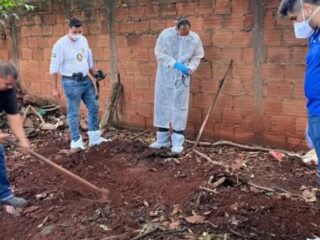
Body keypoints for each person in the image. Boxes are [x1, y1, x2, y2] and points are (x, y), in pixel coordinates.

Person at [50, 18, 109, 150]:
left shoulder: (83, 40)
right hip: (70, 82)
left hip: (85, 80)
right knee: (73, 112)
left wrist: (95, 74)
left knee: (93, 107)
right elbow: (54, 68)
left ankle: (94, 138)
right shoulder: (60, 44)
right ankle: (76, 141)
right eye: (75, 31)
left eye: (80, 31)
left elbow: (88, 60)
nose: (77, 34)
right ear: (69, 29)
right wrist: (54, 88)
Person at [279, 0, 320, 185]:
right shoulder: (315, 36)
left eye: (295, 18)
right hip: (315, 109)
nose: (296, 24)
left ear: (307, 8)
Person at [150, 17, 204, 154]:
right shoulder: (165, 35)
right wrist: (174, 64)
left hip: (182, 78)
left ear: (189, 28)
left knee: (180, 107)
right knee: (162, 105)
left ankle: (178, 141)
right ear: (177, 28)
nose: (184, 34)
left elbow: (198, 56)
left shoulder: (194, 38)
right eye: (182, 32)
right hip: (165, 75)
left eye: (187, 32)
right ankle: (162, 139)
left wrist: (190, 68)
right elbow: (159, 53)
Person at [0, 62, 29, 207]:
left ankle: (4, 195)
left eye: (12, 84)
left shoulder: (7, 90)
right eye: (7, 83)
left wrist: (22, 139)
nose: (10, 87)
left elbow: (13, 115)